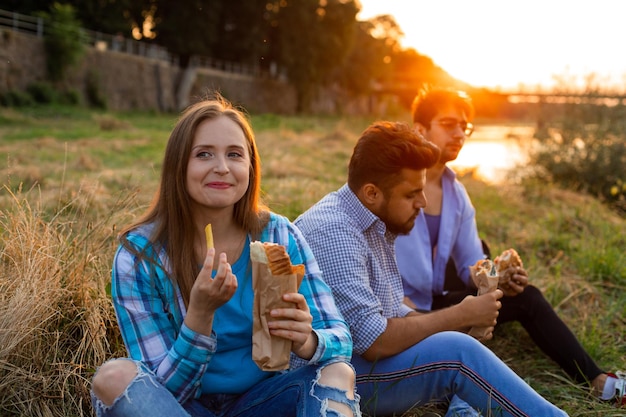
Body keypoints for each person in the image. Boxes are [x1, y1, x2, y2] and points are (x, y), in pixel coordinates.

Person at [90, 96, 361, 417]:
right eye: (204, 154)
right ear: (179, 165)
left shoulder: (278, 235)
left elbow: (340, 337)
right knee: (113, 377)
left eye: (235, 154)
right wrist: (199, 317)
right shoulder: (141, 256)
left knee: (338, 372)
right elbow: (162, 389)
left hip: (264, 400)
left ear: (250, 166)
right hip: (181, 407)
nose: (222, 167)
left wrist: (307, 341)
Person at [295, 121, 569, 416]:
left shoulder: (370, 221)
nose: (423, 203)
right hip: (325, 381)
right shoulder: (334, 231)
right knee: (457, 354)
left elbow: (390, 310)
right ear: (372, 192)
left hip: (354, 365)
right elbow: (372, 340)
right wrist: (459, 315)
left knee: (456, 344)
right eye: (412, 194)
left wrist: (458, 323)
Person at [395, 87, 625, 407]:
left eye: (465, 126)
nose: (460, 133)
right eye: (449, 124)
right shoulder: (396, 185)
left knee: (523, 293)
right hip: (401, 315)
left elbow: (471, 263)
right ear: (420, 129)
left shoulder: (456, 192)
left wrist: (497, 280)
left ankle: (598, 382)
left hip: (434, 300)